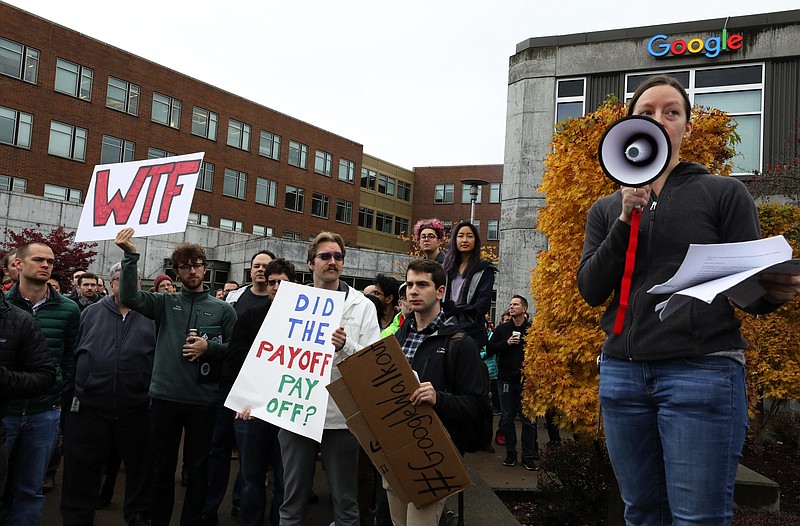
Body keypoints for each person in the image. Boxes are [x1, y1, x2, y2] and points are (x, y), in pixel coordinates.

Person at [577, 74, 800, 525]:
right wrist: (623, 220)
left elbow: (747, 287)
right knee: (641, 512)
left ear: (687, 129)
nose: (658, 119)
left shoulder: (723, 194)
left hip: (701, 371)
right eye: (646, 112)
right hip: (622, 374)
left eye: (671, 112)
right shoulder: (605, 209)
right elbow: (590, 289)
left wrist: (774, 292)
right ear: (631, 125)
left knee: (697, 517)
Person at [114, 227, 237, 526]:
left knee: (196, 472)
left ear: (205, 268)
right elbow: (129, 295)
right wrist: (131, 256)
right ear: (177, 271)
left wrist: (211, 348)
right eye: (185, 266)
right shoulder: (164, 303)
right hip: (165, 398)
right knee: (160, 469)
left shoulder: (222, 309)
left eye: (196, 265)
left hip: (203, 402)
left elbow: (236, 351)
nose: (192, 270)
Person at [277, 232, 381, 526]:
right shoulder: (291, 302)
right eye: (325, 256)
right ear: (310, 263)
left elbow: (372, 361)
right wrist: (253, 400)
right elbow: (272, 356)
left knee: (346, 502)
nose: (332, 261)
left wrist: (345, 346)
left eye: (338, 256)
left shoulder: (362, 306)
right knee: (291, 501)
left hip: (341, 417)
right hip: (296, 412)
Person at [387, 258, 485, 524]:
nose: (413, 291)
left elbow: (478, 406)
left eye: (422, 284)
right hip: (396, 448)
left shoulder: (460, 343)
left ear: (440, 291)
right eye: (409, 285)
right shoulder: (400, 335)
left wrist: (438, 399)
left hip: (433, 456)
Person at [60, 262, 155, 526]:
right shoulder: (89, 313)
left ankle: (138, 518)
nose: (126, 284)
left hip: (137, 410)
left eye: (132, 280)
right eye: (120, 279)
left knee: (141, 473)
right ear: (111, 283)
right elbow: (73, 352)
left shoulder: (152, 316)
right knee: (81, 472)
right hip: (89, 410)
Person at [3, 242, 80, 524]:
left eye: (50, 261)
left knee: (30, 489)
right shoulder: (4, 306)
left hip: (44, 412)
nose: (46, 265)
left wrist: (58, 385)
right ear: (19, 265)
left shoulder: (69, 310)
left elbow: (71, 355)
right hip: (6, 410)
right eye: (38, 259)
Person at [226, 259, 298, 526]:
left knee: (285, 480)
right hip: (252, 409)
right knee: (251, 477)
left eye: (283, 282)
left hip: (288, 412)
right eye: (272, 283)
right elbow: (233, 358)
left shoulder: (305, 324)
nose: (277, 287)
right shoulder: (250, 317)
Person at [0, 293, 55, 491]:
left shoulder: (19, 321)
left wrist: (4, 378)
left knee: (27, 490)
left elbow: (45, 376)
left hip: (16, 418)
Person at [487, 295, 538, 470]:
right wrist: (506, 343)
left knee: (528, 421)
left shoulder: (532, 330)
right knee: (507, 418)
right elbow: (490, 348)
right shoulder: (502, 329)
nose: (511, 307)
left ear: (524, 309)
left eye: (515, 304)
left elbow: (540, 353)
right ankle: (510, 453)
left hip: (527, 380)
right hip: (506, 379)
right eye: (510, 304)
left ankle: (528, 456)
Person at [442, 220, 496, 347]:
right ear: (454, 240)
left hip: (471, 332)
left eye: (469, 236)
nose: (464, 240)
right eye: (460, 236)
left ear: (475, 240)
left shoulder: (484, 269)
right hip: (445, 327)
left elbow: (483, 303)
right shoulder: (446, 269)